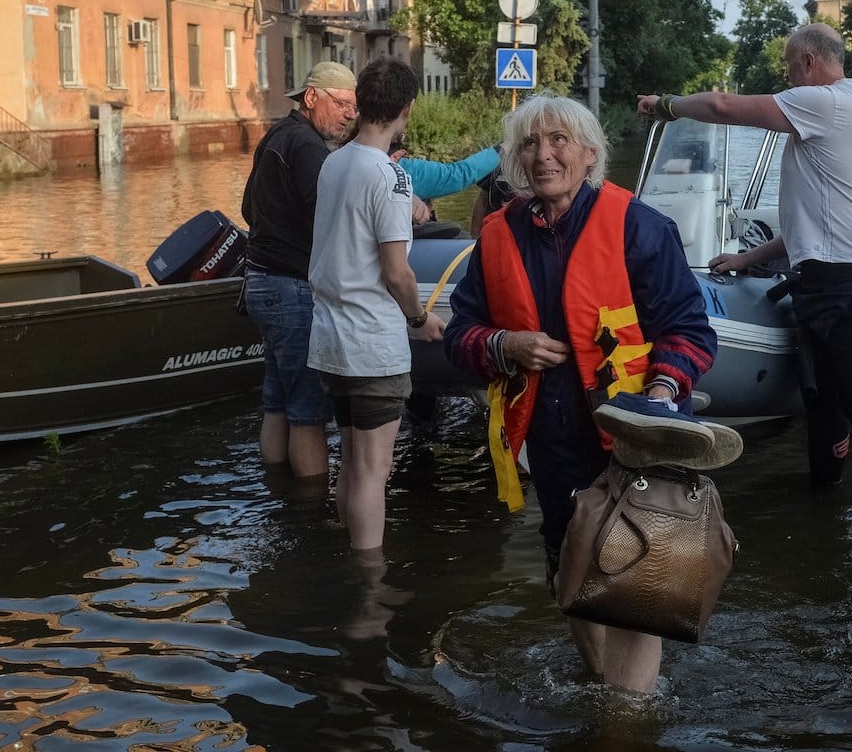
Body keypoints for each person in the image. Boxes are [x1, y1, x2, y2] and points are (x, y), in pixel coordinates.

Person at [443, 91, 718, 694]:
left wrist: (665, 389)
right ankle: (600, 687)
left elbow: (691, 332)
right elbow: (459, 336)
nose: (544, 155)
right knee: (571, 577)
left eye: (559, 140)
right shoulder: (496, 236)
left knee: (632, 586)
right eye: (530, 144)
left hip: (633, 438)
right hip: (549, 442)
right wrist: (504, 345)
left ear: (590, 153)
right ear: (514, 160)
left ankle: (626, 717)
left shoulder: (639, 226)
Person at [636, 22, 852, 506]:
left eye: (788, 67)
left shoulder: (825, 102)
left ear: (808, 63)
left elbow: (724, 107)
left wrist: (666, 106)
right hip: (842, 271)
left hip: (846, 278)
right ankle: (826, 501)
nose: (786, 77)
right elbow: (819, 224)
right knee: (824, 401)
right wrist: (748, 257)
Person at [306, 57, 446, 552]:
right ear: (408, 107)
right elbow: (396, 272)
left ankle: (346, 557)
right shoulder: (390, 177)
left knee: (352, 461)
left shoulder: (333, 163)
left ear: (362, 103)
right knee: (373, 471)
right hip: (372, 344)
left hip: (329, 341)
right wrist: (420, 319)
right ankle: (368, 588)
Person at [241, 61, 358, 481]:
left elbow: (246, 210)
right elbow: (326, 218)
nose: (350, 114)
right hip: (293, 290)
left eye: (354, 108)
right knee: (309, 413)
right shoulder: (308, 147)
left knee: (277, 404)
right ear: (312, 98)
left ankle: (277, 496)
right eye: (342, 104)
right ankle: (309, 514)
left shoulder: (275, 135)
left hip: (260, 285)